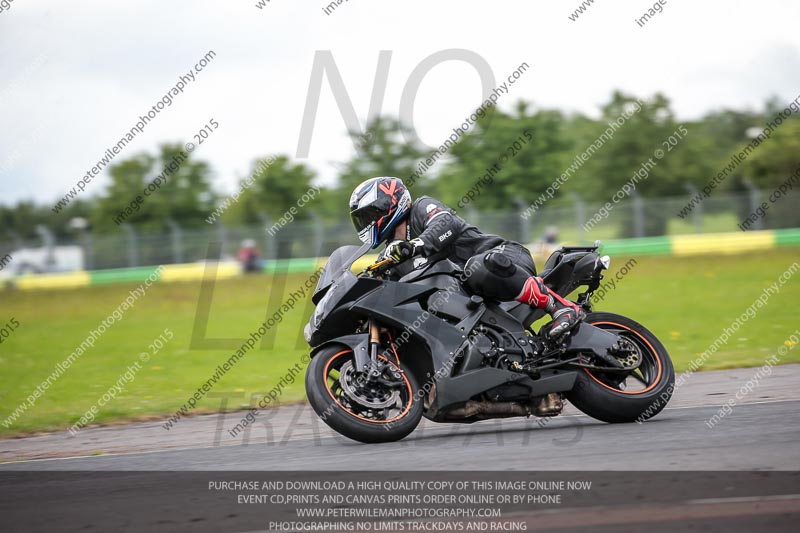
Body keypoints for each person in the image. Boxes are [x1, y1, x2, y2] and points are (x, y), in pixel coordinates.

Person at [349, 176, 584, 340]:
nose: (366, 222)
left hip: (502, 258)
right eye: (362, 219)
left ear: (388, 204)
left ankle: (561, 308)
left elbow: (445, 223)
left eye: (369, 215)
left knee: (477, 267)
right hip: (472, 299)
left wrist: (415, 245)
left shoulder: (421, 208)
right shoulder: (392, 254)